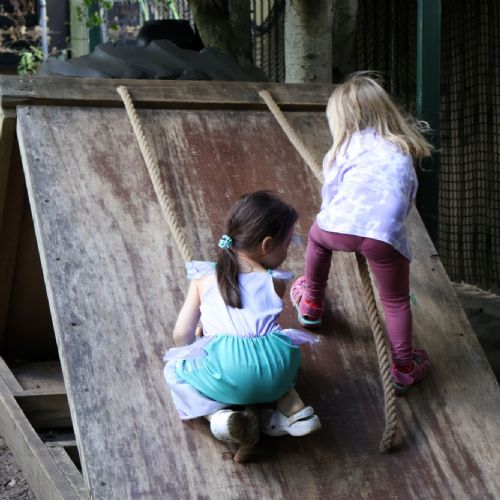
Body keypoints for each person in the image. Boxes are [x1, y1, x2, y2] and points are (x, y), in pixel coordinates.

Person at [290, 73, 433, 393]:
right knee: (396, 301)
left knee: (316, 239)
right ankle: (405, 366)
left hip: (338, 227)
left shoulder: (342, 148)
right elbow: (408, 195)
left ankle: (311, 301)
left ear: (341, 119)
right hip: (383, 236)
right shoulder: (401, 148)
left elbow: (330, 194)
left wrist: (335, 218)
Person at [163, 190, 321, 447]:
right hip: (276, 371)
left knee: (173, 369)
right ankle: (294, 412)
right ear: (267, 245)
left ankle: (217, 416)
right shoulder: (275, 282)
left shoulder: (203, 278)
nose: (287, 251)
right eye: (287, 244)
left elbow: (181, 335)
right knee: (280, 352)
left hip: (226, 373)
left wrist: (198, 349)